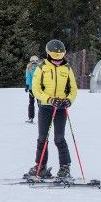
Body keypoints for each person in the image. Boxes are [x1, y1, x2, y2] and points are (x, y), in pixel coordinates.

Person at [28, 40, 78, 179]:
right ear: (49, 55)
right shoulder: (41, 67)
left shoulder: (67, 68)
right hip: (46, 107)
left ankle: (65, 167)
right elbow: (36, 89)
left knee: (59, 138)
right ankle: (40, 166)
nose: (57, 61)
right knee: (42, 139)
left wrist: (69, 100)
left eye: (60, 58)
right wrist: (49, 99)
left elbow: (73, 89)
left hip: (61, 108)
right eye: (55, 58)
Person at [24, 55, 40, 123]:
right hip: (38, 88)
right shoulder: (40, 67)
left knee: (31, 103)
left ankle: (31, 118)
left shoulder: (29, 67)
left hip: (32, 88)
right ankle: (42, 118)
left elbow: (28, 78)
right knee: (40, 103)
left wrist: (27, 86)